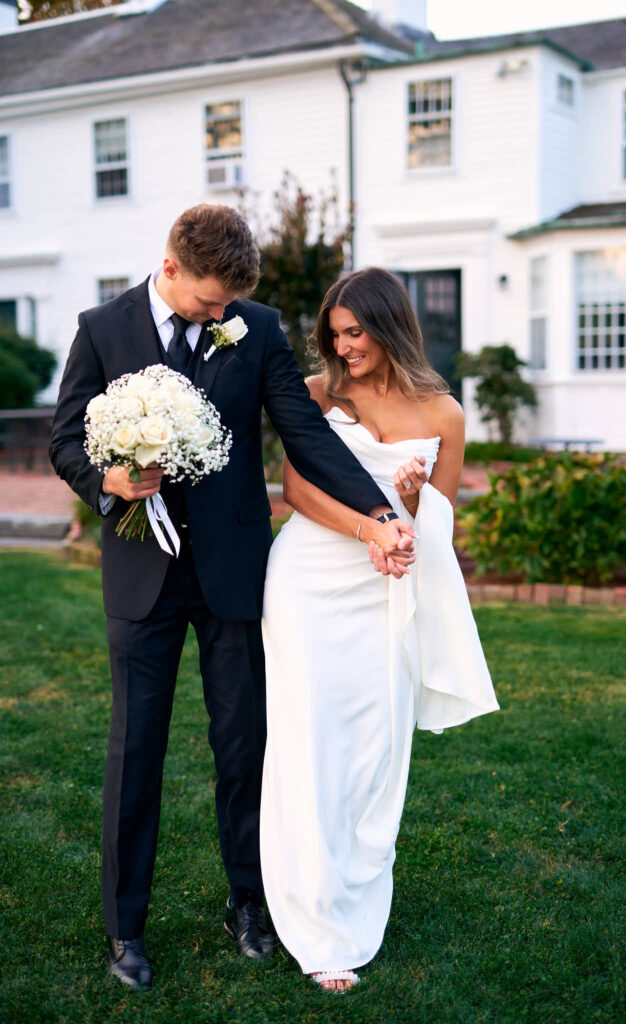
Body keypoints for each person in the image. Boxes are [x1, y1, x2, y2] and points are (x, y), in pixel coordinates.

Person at [49, 207, 416, 991]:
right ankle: (126, 929)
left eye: (229, 307)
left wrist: (378, 511)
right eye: (209, 304)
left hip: (235, 572)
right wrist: (105, 481)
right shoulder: (101, 326)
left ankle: (248, 904)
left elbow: (304, 436)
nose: (221, 318)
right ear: (172, 268)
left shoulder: (258, 327)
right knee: (134, 749)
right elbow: (64, 438)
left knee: (245, 744)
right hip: (141, 571)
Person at [260, 267, 499, 992]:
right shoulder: (315, 393)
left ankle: (356, 899)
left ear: (388, 325)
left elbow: (438, 522)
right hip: (308, 583)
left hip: (385, 590)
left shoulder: (446, 415)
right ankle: (310, 916)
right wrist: (370, 521)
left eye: (354, 331)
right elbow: (296, 488)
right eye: (334, 334)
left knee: (374, 746)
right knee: (308, 743)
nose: (343, 346)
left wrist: (413, 501)